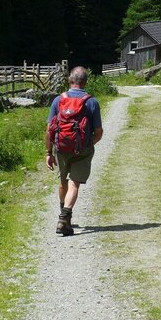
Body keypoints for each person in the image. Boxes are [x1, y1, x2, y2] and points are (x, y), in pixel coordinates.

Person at [45, 67, 103, 236]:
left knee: (63, 182)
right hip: (82, 150)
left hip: (61, 148)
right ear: (85, 82)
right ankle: (64, 218)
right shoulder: (91, 102)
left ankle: (63, 215)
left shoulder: (58, 100)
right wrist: (88, 144)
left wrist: (48, 153)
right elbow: (99, 132)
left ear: (69, 80)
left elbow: (49, 129)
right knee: (74, 184)